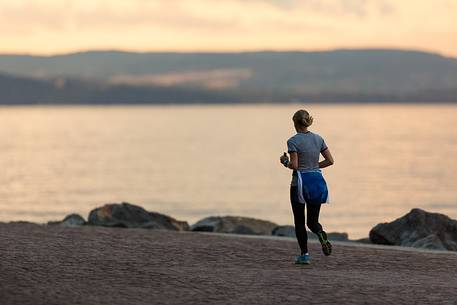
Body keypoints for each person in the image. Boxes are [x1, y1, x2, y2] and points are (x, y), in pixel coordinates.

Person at [280, 109, 334, 265]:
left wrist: (285, 162)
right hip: (317, 183)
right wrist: (313, 165)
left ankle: (304, 255)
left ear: (295, 123)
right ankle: (321, 233)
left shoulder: (293, 141)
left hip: (299, 185)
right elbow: (330, 160)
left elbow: (295, 165)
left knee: (299, 221)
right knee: (312, 221)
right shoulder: (319, 139)